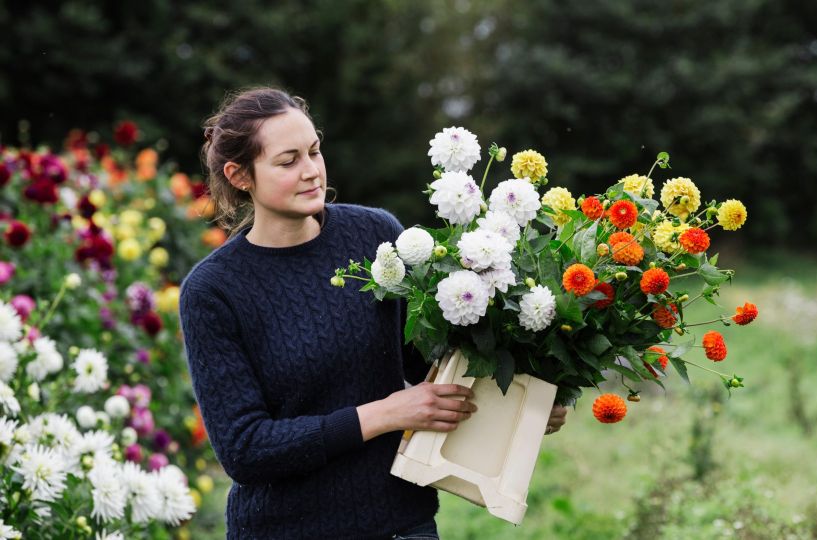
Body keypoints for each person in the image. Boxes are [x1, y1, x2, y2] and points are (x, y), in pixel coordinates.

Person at [179, 87, 567, 539]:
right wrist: (384, 414)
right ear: (240, 175)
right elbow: (245, 450)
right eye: (288, 161)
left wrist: (519, 408)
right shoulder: (213, 292)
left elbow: (430, 366)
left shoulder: (372, 234)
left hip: (401, 523)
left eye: (314, 152)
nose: (311, 171)